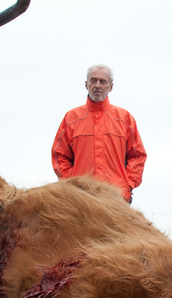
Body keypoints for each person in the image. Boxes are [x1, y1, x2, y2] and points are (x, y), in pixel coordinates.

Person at [51, 65, 146, 202]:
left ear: (111, 87)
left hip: (116, 197)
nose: (97, 85)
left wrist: (127, 185)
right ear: (86, 84)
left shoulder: (124, 119)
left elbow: (137, 156)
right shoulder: (71, 118)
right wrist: (72, 183)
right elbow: (59, 155)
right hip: (81, 198)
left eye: (102, 81)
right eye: (93, 80)